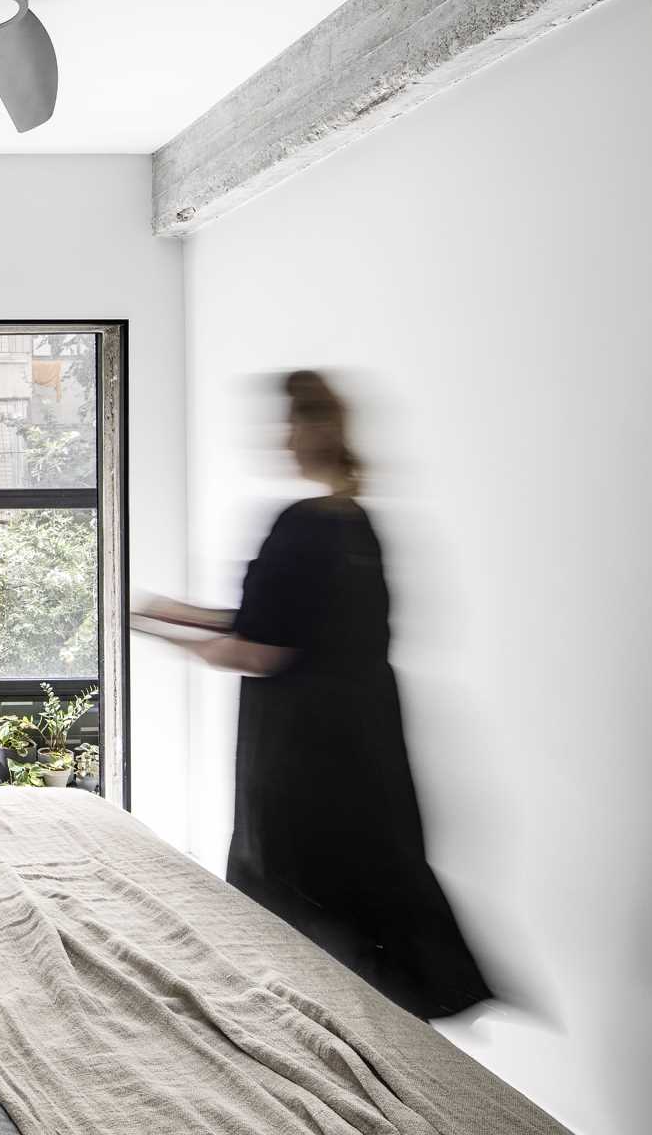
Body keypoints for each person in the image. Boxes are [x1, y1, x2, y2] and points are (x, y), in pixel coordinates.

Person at [136, 370, 491, 1019]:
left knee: (296, 911)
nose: (283, 436)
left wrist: (162, 636)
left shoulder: (299, 524)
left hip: (300, 754)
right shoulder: (357, 525)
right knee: (363, 902)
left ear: (313, 432)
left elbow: (257, 648)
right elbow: (278, 624)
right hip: (365, 748)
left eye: (291, 422)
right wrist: (168, 611)